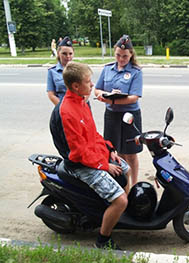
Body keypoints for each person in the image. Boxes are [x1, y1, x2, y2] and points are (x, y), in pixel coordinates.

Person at [49, 61, 129, 249]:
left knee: (126, 167)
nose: (92, 85)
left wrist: (109, 150)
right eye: (88, 81)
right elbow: (78, 152)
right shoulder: (67, 112)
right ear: (76, 86)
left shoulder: (82, 102)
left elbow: (92, 135)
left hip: (92, 156)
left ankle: (115, 214)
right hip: (80, 165)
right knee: (121, 200)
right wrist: (104, 165)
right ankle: (103, 240)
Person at [95, 35, 143, 188]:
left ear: (131, 55)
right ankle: (123, 184)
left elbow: (134, 97)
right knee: (115, 151)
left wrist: (113, 100)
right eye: (118, 55)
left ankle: (134, 185)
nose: (121, 59)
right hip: (112, 115)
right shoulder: (107, 69)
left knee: (130, 152)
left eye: (125, 56)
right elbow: (96, 89)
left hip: (129, 115)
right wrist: (102, 95)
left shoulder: (136, 72)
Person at [47, 36, 74, 105]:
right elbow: (51, 94)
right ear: (58, 53)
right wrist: (63, 107)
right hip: (62, 108)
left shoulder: (80, 69)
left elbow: (88, 90)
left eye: (70, 54)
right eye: (64, 53)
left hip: (80, 108)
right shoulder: (52, 71)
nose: (68, 56)